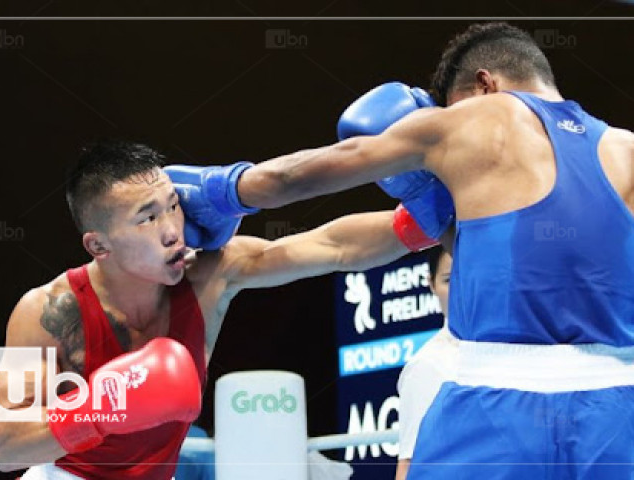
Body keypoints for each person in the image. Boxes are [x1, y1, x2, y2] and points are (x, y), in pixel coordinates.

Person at [173, 22, 634, 478]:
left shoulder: (479, 119)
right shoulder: (626, 150)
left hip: (494, 402)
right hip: (616, 411)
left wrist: (221, 193)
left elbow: (298, 177)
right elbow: (347, 244)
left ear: (484, 84)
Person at [0, 139, 430, 480]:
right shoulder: (41, 310)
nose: (172, 230)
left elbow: (330, 246)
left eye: (173, 206)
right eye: (147, 218)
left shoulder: (209, 276)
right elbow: (1, 446)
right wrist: (102, 408)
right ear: (98, 244)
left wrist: (426, 221)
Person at [394, 246, 457, 480]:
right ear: (431, 284)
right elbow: (409, 462)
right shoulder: (428, 365)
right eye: (449, 280)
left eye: (469, 275)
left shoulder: (512, 348)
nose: (461, 289)